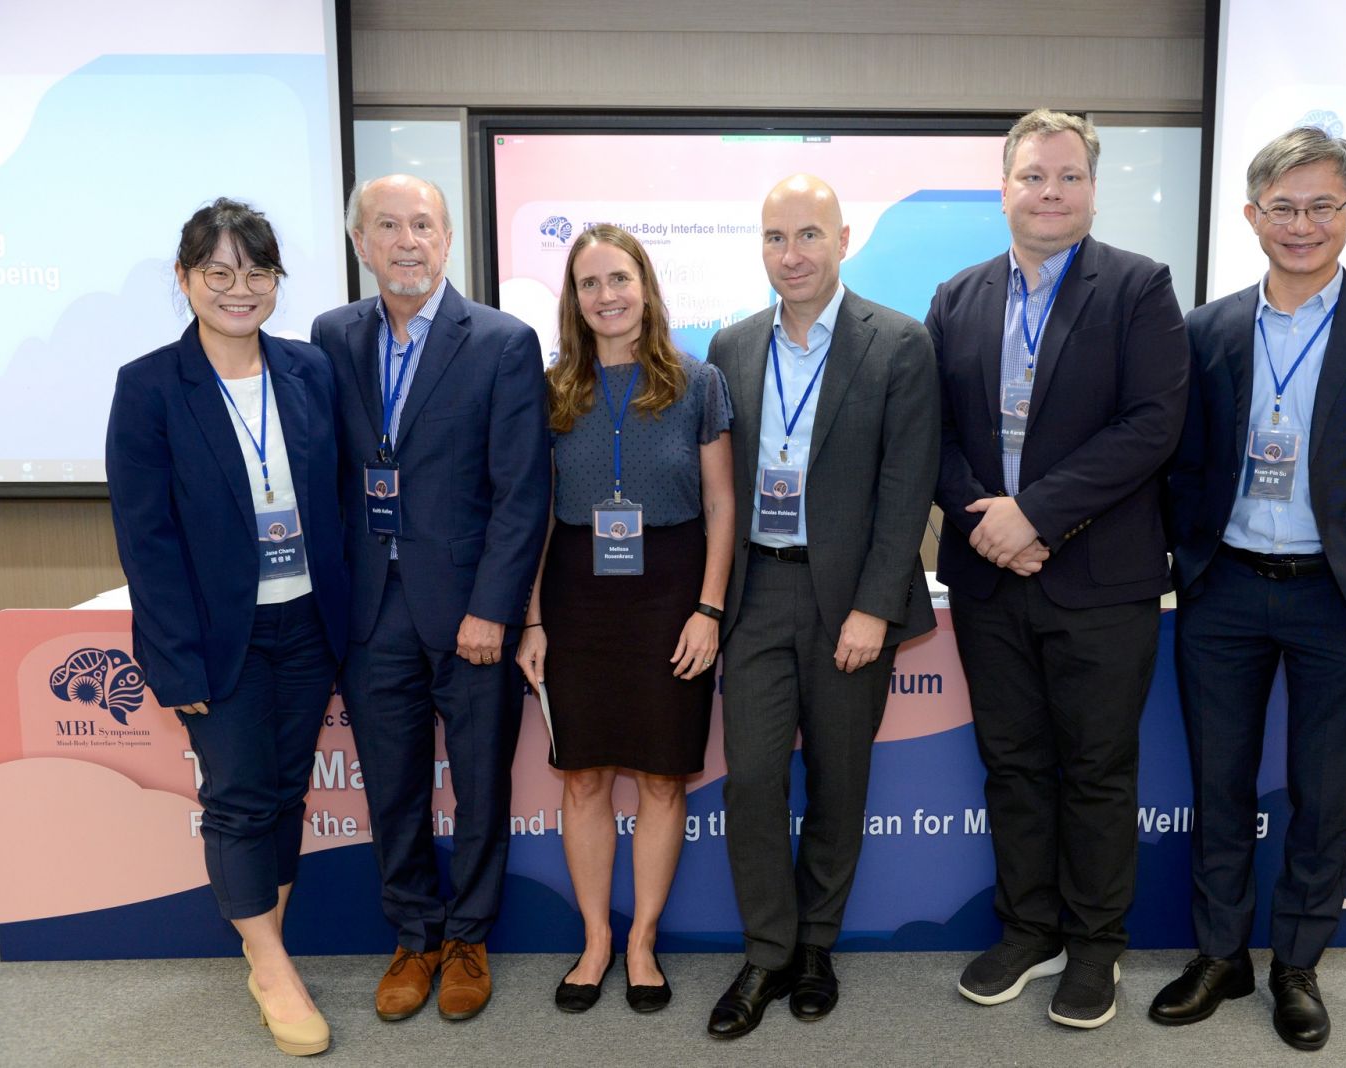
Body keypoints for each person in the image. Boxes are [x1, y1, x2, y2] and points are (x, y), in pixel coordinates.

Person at [1152, 126, 1346, 1052]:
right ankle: (1220, 956)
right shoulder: (1207, 328)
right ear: (1252, 216)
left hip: (1339, 597)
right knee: (1219, 784)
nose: (1302, 224)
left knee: (1324, 793)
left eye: (1322, 206)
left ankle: (1297, 965)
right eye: (1283, 206)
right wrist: (1186, 563)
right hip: (1225, 592)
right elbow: (1181, 465)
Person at [927, 108, 1188, 1029]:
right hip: (990, 578)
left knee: (1097, 770)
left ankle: (1095, 945)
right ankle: (1029, 930)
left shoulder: (1139, 287)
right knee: (1012, 766)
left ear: (1092, 190)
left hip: (1100, 580)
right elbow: (932, 436)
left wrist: (1034, 514)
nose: (1050, 192)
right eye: (1033, 176)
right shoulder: (956, 297)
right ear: (1003, 188)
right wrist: (991, 526)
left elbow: (1152, 426)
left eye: (1069, 176)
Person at [106, 198, 350, 1057]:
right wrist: (176, 662)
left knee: (286, 791)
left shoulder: (309, 369)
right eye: (218, 271)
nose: (238, 289)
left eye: (257, 271)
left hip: (310, 623)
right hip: (217, 638)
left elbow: (337, 497)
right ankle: (274, 967)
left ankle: (263, 948)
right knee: (240, 796)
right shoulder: (149, 386)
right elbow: (146, 539)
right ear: (185, 279)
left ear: (277, 280)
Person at [703, 174, 939, 1039]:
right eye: (775, 237)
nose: (791, 254)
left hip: (851, 601)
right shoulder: (730, 346)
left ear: (842, 241)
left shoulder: (899, 343)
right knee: (753, 783)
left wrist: (875, 607)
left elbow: (907, 486)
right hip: (757, 593)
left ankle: (816, 947)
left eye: (808, 235)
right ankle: (768, 951)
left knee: (840, 781)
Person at [310, 175, 549, 1024]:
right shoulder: (332, 335)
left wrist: (495, 608)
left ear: (448, 239)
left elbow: (521, 492)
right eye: (387, 225)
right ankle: (414, 936)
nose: (406, 240)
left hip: (471, 613)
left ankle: (470, 938)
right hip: (371, 611)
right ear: (360, 243)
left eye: (422, 224)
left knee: (480, 786)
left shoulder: (503, 342)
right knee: (393, 788)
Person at [513, 224, 735, 1014]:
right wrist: (532, 620)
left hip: (671, 593)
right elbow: (536, 514)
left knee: (662, 778)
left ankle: (642, 940)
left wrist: (709, 609)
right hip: (576, 596)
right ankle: (596, 940)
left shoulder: (699, 383)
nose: (605, 296)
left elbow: (721, 505)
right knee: (583, 777)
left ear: (645, 286)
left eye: (619, 279)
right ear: (573, 300)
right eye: (589, 283)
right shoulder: (550, 390)